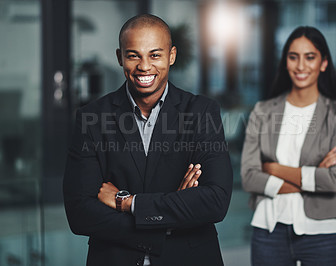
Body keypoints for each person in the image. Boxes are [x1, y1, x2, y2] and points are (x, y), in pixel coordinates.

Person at [63, 14, 232, 266]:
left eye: (155, 55)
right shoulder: (92, 118)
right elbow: (79, 213)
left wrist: (128, 202)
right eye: (134, 55)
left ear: (171, 56)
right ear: (120, 57)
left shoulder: (201, 112)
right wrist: (170, 218)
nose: (144, 66)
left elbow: (215, 201)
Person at [241, 26, 336, 266]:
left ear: (323, 63)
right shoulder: (263, 111)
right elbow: (250, 178)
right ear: (285, 62)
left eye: (310, 57)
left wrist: (273, 169)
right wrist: (313, 177)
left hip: (322, 233)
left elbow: (333, 180)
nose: (301, 66)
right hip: (268, 230)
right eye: (293, 57)